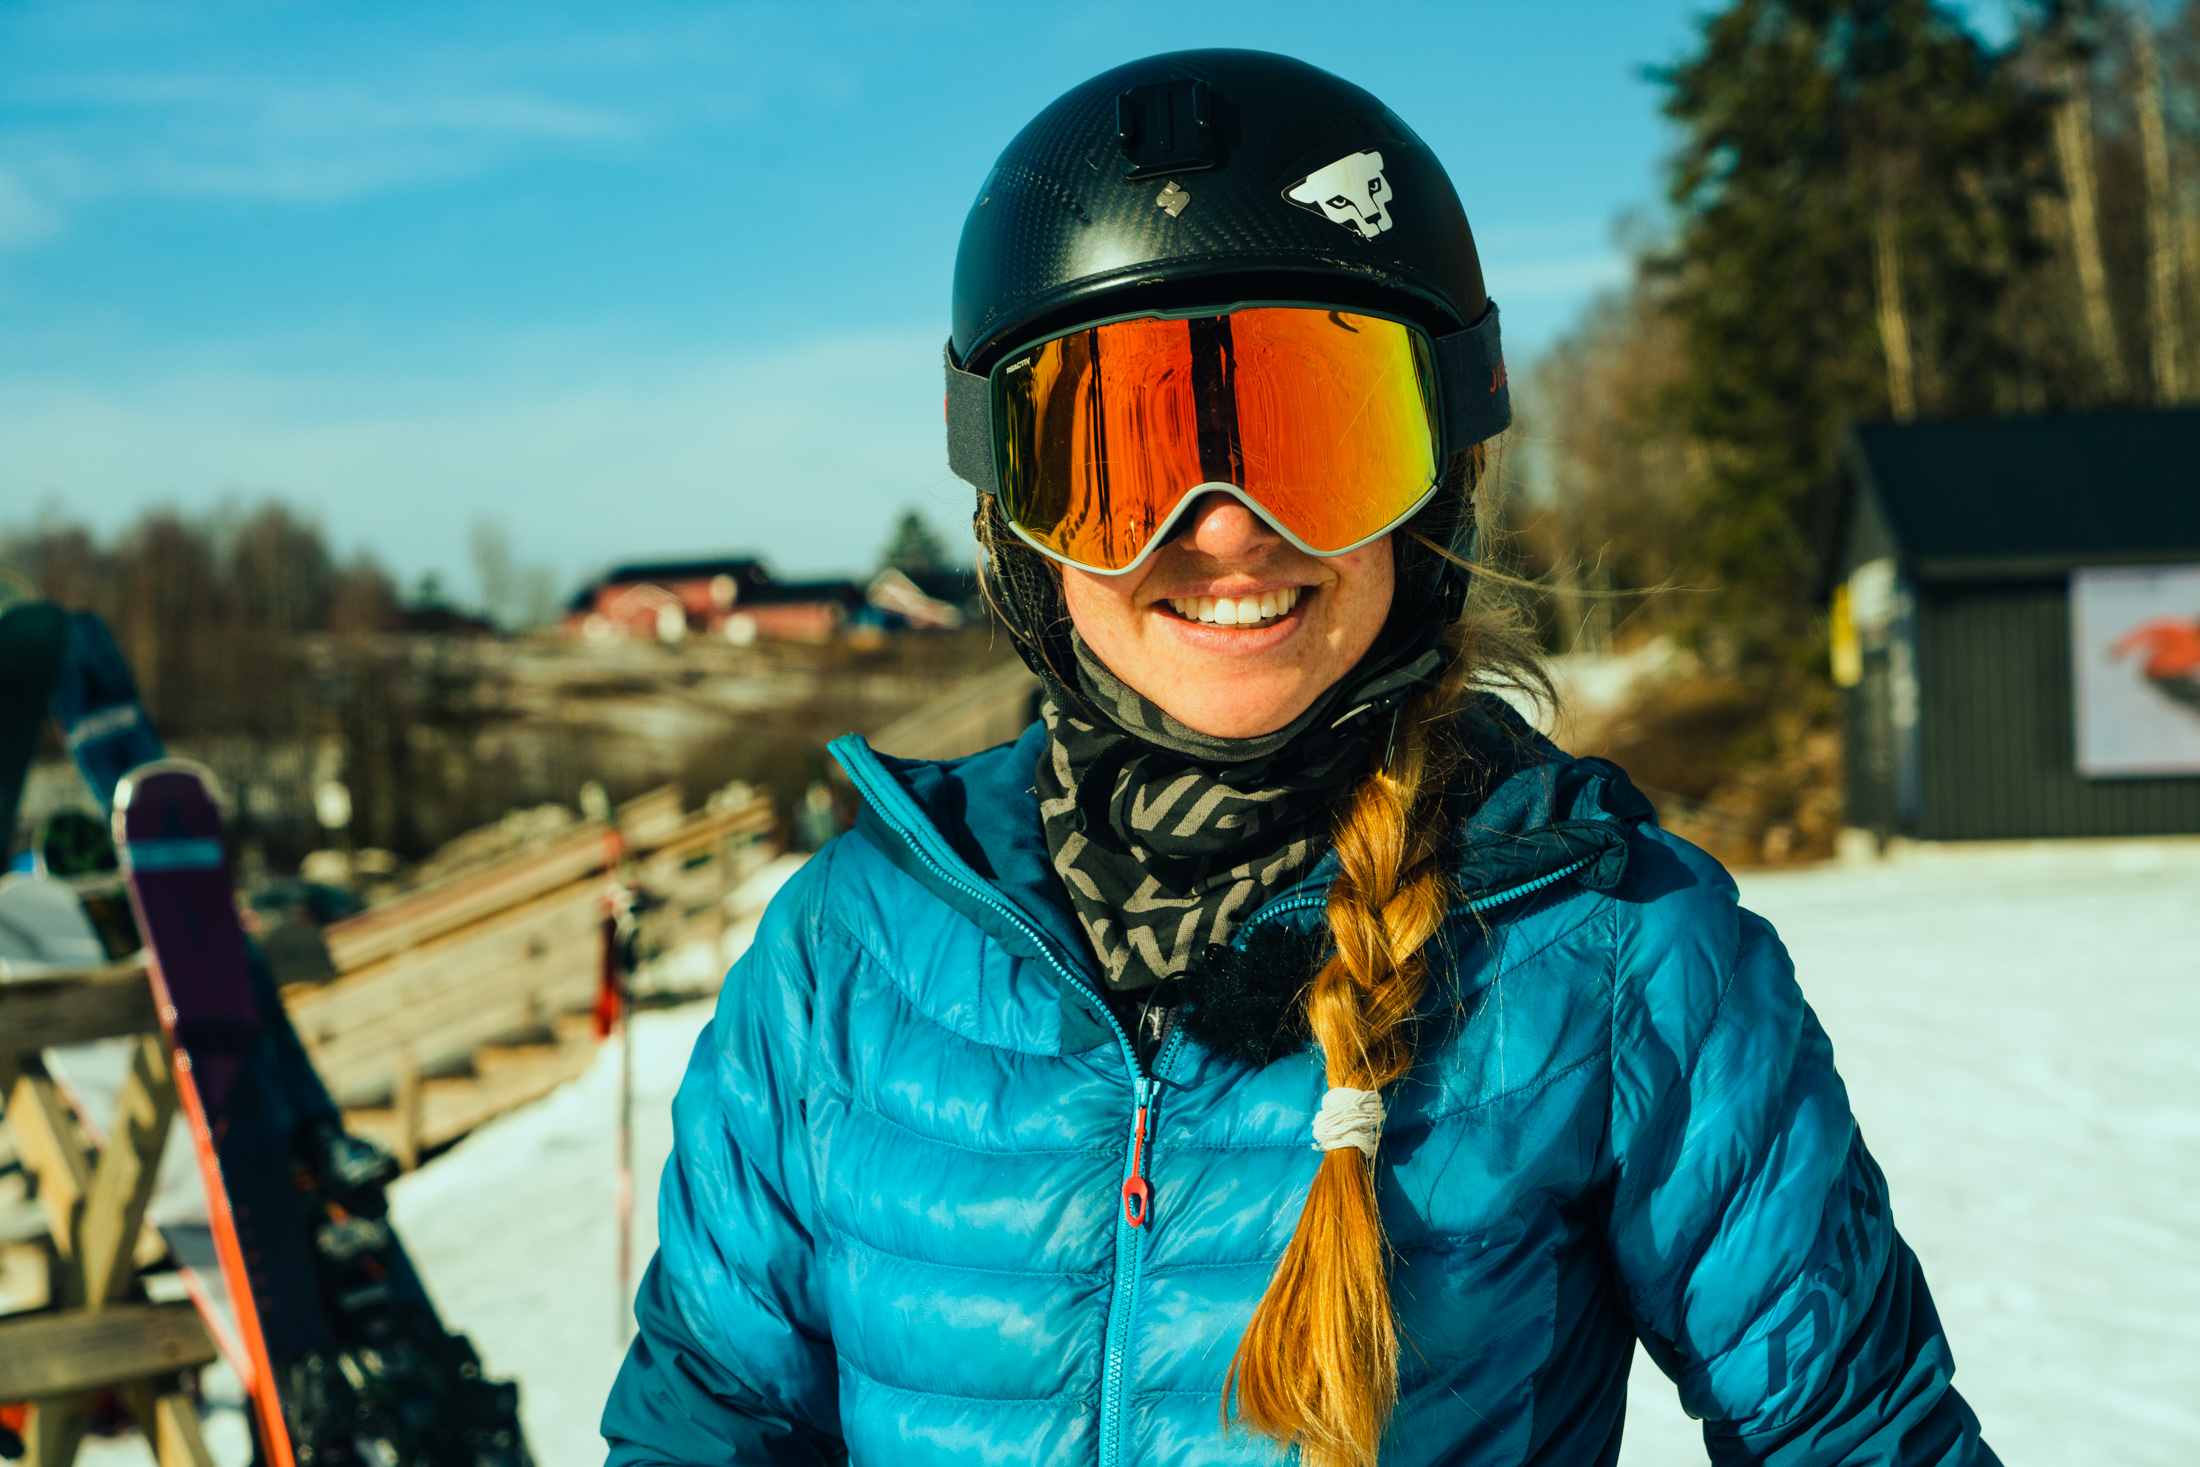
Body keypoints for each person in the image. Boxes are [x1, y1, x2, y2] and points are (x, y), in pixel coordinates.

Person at [603, 50, 1996, 1467]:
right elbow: (703, 1425)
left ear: (1433, 488)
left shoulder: (1614, 951)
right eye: (1120, 458)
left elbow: (1863, 1438)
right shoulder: (854, 955)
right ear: (1015, 529)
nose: (1224, 530)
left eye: (1315, 438)